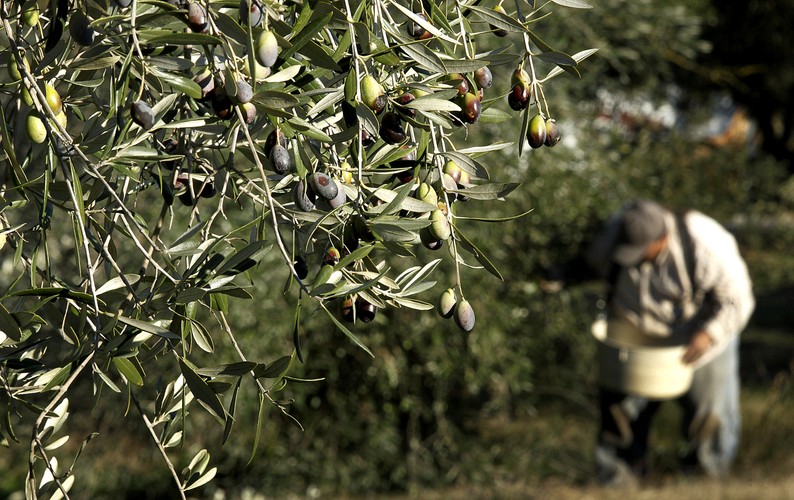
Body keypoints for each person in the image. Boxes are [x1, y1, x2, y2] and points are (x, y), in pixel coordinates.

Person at [583, 200, 755, 485]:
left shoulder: (706, 242)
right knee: (619, 414)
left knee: (710, 414)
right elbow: (589, 265)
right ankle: (618, 481)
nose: (634, 259)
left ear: (663, 238)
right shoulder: (614, 234)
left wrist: (709, 334)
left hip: (698, 338)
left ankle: (706, 479)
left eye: (641, 251)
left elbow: (738, 300)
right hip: (635, 334)